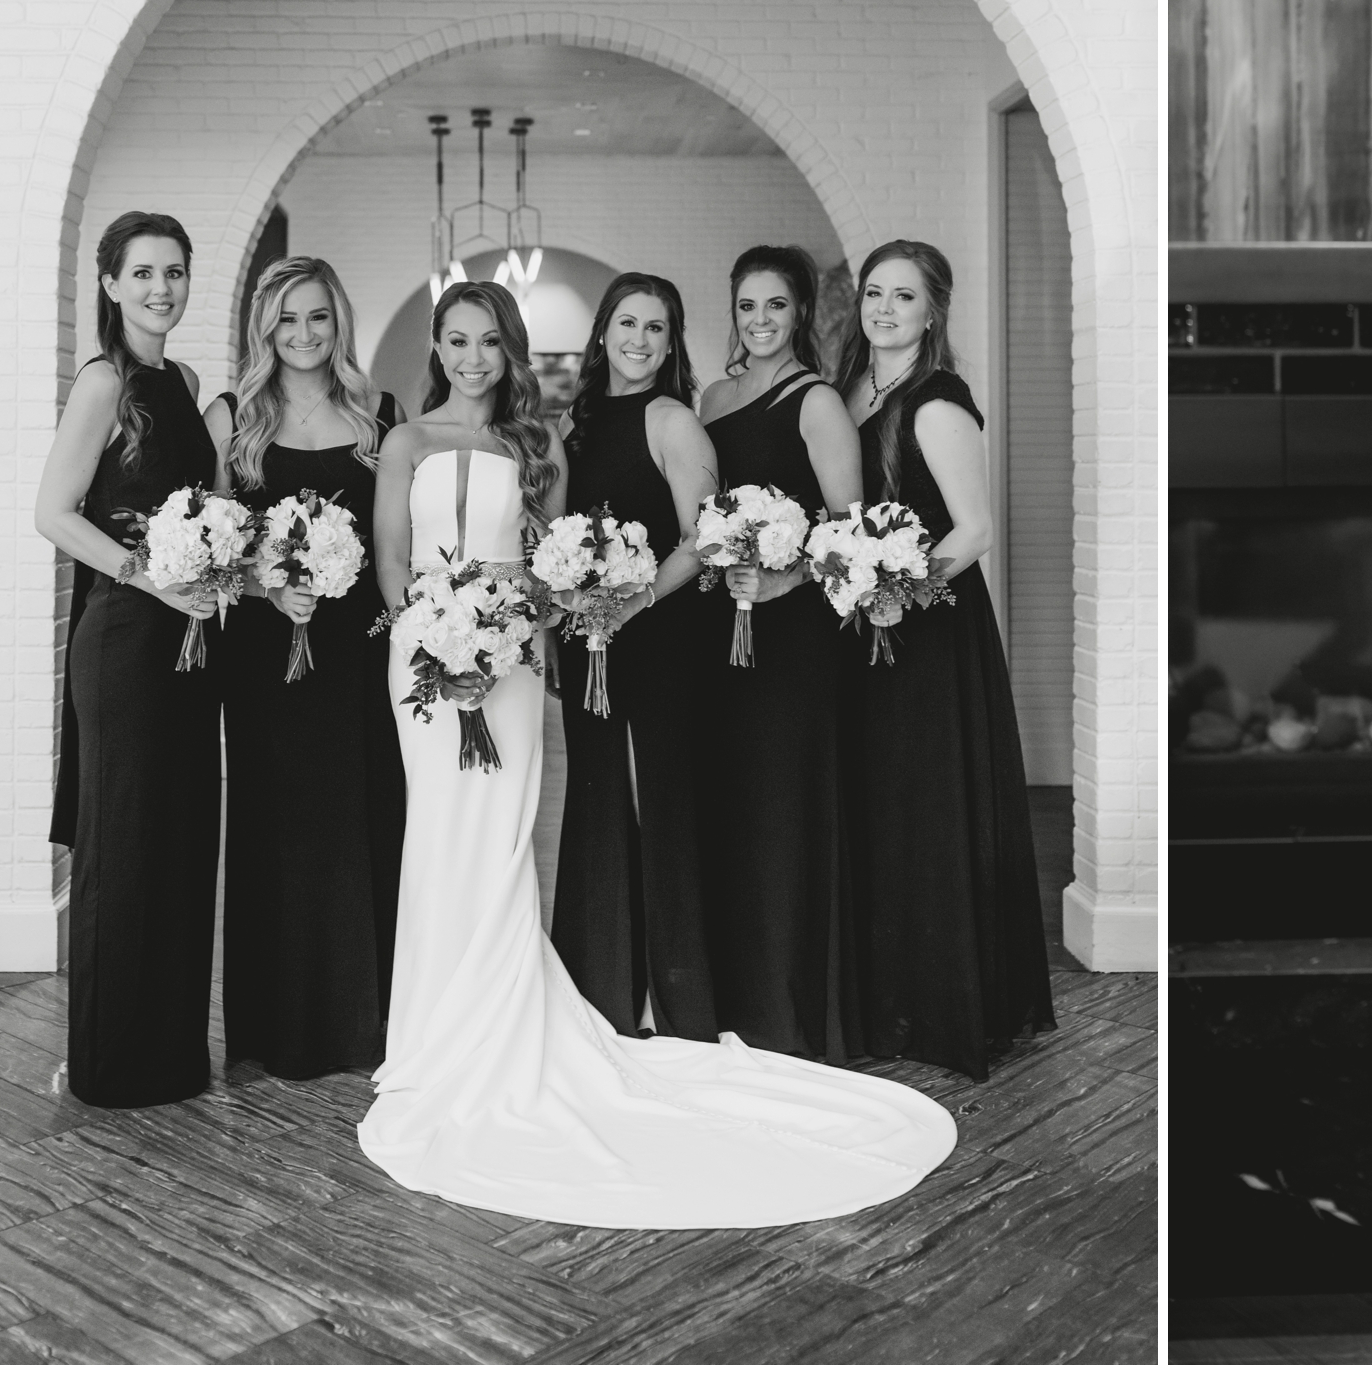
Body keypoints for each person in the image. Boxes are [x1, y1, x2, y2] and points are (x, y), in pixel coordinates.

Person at [357, 280, 953, 1228]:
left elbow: (551, 546)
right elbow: (392, 554)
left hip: (513, 648)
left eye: (489, 342)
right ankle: (431, 1026)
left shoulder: (539, 442)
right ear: (437, 346)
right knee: (434, 831)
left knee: (507, 836)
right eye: (456, 341)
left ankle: (522, 1010)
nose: (473, 357)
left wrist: (539, 630)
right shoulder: (409, 440)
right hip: (425, 657)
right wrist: (427, 634)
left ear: (512, 350)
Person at [838, 240, 1055, 1080]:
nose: (883, 309)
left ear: (933, 312)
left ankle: (945, 1005)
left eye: (902, 296)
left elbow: (975, 531)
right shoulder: (858, 390)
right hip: (870, 628)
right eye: (872, 294)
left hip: (929, 630)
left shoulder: (936, 402)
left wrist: (894, 580)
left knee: (929, 807)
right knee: (884, 808)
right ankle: (891, 995)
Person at [35, 211, 225, 1107]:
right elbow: (54, 512)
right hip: (123, 638)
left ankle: (172, 1056)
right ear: (110, 283)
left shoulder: (184, 381)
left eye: (175, 272)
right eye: (144, 272)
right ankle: (110, 1063)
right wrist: (149, 575)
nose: (162, 288)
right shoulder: (105, 382)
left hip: (191, 644)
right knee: (123, 848)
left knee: (181, 843)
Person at [207, 257, 406, 1079]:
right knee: (276, 827)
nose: (302, 335)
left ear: (339, 322)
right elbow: (210, 544)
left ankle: (362, 1021)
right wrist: (266, 582)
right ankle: (273, 1027)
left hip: (357, 657)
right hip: (263, 657)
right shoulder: (231, 417)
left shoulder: (380, 416)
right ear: (264, 328)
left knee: (361, 823)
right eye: (287, 319)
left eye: (317, 317)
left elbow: (399, 541)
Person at [694, 246, 865, 1060]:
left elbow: (852, 527)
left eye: (776, 306)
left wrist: (784, 578)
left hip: (794, 639)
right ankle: (737, 989)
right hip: (723, 634)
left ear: (801, 314)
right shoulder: (715, 396)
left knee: (785, 806)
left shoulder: (818, 401)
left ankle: (793, 1003)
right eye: (747, 306)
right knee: (732, 802)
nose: (760, 321)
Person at [550, 274, 719, 1039]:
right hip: (585, 638)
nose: (640, 340)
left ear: (672, 340)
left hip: (656, 636)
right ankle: (600, 993)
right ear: (603, 332)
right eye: (627, 322)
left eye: (657, 327)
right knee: (597, 798)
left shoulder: (671, 419)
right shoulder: (573, 423)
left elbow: (703, 538)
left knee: (659, 801)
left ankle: (666, 998)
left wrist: (634, 598)